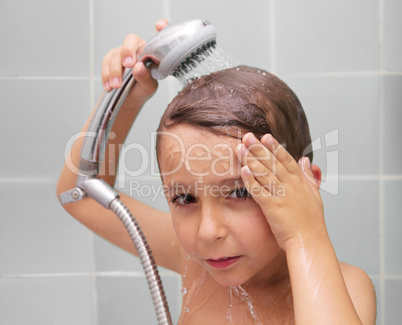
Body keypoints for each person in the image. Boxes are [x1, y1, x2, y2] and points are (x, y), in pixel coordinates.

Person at [56, 20, 377, 324]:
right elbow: (80, 195)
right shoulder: (192, 261)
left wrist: (306, 235)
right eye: (184, 198)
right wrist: (128, 96)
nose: (208, 232)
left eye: (240, 192)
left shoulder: (348, 287)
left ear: (304, 186)